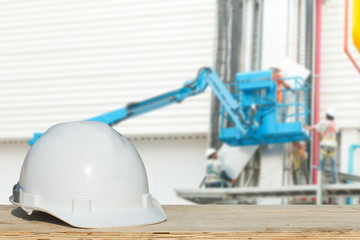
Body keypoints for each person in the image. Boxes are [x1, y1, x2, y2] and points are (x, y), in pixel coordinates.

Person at [303, 108, 338, 183]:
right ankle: (335, 183)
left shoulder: (323, 122)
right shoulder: (336, 124)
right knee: (333, 166)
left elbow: (314, 128)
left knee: (321, 164)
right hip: (333, 146)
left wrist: (306, 127)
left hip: (324, 145)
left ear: (327, 115)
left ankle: (320, 183)